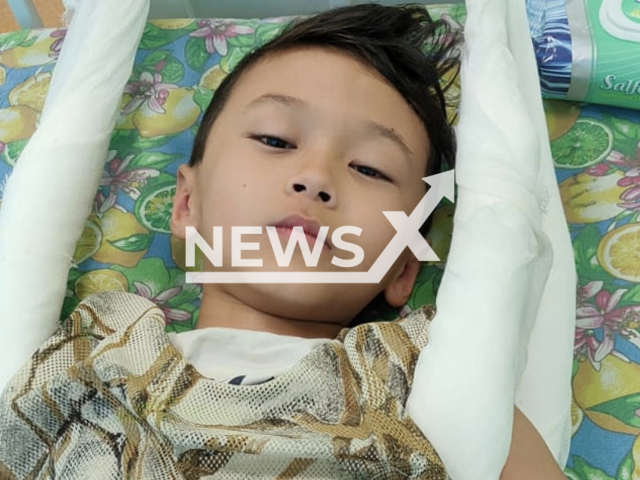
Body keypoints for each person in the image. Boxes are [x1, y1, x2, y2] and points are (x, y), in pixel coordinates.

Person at [0, 4, 565, 479]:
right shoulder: (92, 354)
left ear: (402, 270)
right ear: (187, 206)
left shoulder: (419, 377)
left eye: (370, 168)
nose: (316, 178)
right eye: (275, 139)